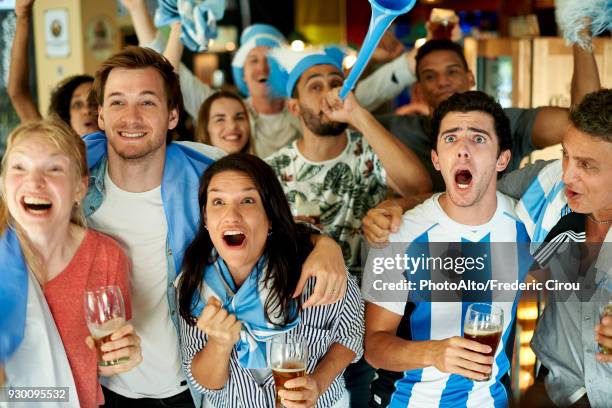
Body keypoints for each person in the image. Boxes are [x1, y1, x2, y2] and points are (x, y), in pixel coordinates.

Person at [83, 46, 348, 407]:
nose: (131, 117)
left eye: (147, 102)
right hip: (105, 387)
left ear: (173, 115)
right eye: (117, 102)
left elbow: (269, 212)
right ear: (99, 115)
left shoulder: (207, 174)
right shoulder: (74, 187)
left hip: (190, 389)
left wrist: (322, 244)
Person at [263, 46, 430, 408]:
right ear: (294, 107)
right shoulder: (271, 171)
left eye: (337, 83)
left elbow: (421, 189)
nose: (329, 93)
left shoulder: (368, 152)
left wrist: (358, 115)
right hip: (295, 328)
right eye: (316, 86)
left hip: (363, 325)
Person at [362, 91, 531, 407]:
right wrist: (433, 352)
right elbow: (374, 346)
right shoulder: (399, 236)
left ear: (502, 159)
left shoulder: (525, 224)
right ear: (437, 158)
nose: (463, 150)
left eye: (478, 139)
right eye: (451, 139)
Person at [177, 154, 364, 408]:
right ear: (206, 219)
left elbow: (350, 335)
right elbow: (203, 383)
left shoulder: (316, 268)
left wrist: (318, 383)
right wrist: (219, 344)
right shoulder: (193, 285)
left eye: (248, 200)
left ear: (270, 216)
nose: (232, 215)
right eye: (218, 201)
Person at [121, 0, 417, 157]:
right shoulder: (227, 112)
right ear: (242, 72)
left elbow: (365, 93)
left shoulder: (309, 106)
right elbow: (164, 71)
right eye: (253, 60)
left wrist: (411, 62)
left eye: (269, 60)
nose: (261, 67)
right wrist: (136, 9)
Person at [0, 119, 141, 407]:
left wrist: (121, 355)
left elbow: (102, 363)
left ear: (80, 188)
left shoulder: (106, 258)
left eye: (54, 169)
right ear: (3, 183)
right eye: (19, 167)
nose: (35, 181)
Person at [514, 89, 612, 407]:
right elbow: (469, 201)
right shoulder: (552, 201)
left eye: (587, 165)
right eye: (566, 154)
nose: (567, 175)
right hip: (553, 392)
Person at [377, 39, 573, 191]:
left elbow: (580, 122)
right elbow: (349, 113)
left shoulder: (506, 123)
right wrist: (387, 64)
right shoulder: (397, 130)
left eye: (452, 72)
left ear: (470, 77)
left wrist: (580, 38)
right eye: (430, 76)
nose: (442, 82)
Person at [8, 0, 99, 136]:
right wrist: (23, 17)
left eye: (94, 103)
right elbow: (18, 92)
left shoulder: (122, 145)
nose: (86, 110)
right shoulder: (55, 145)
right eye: (77, 105)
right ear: (67, 115)